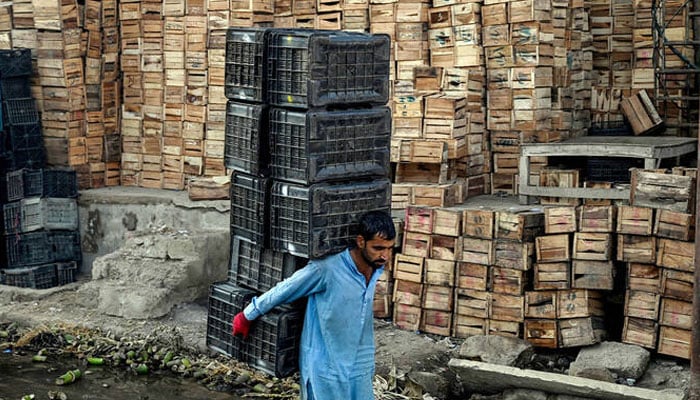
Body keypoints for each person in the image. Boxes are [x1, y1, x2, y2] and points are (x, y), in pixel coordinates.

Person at [232, 210, 396, 400]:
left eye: (389, 248)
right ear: (360, 242)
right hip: (325, 367)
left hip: (360, 362)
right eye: (378, 248)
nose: (385, 256)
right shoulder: (327, 268)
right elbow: (285, 289)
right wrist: (247, 315)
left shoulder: (375, 267)